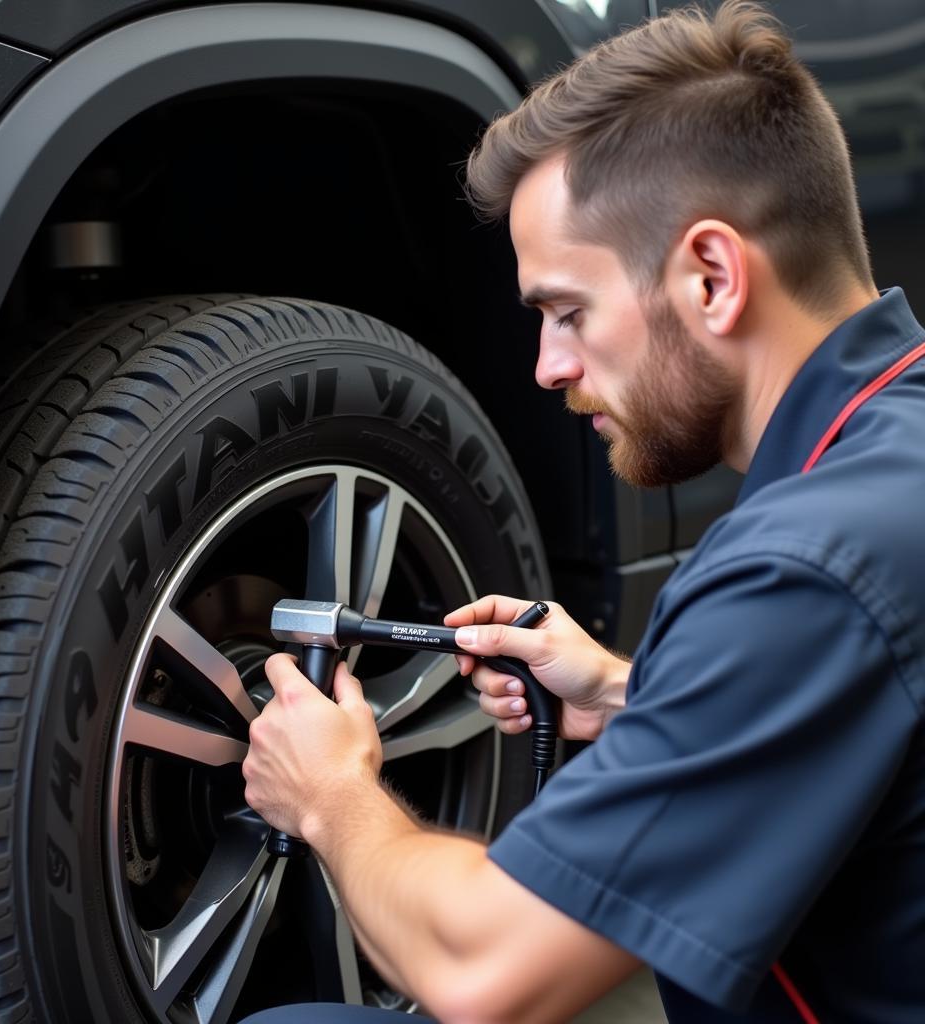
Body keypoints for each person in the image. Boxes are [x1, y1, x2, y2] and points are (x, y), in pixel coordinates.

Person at [241, 2, 925, 1020]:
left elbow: (488, 979)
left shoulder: (806, 568)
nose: (548, 367)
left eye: (568, 312)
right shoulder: (887, 465)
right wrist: (622, 689)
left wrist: (330, 793)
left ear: (710, 276)